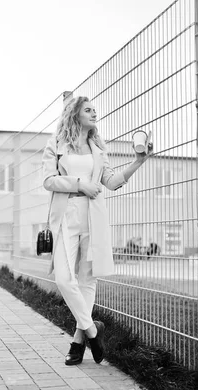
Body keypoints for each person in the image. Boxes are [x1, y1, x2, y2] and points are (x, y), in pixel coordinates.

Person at [41, 95, 153, 366]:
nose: (94, 114)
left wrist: (138, 161)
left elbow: (112, 182)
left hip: (93, 218)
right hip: (66, 216)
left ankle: (78, 342)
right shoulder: (56, 144)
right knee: (64, 280)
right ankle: (93, 331)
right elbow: (48, 180)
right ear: (74, 114)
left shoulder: (98, 148)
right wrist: (80, 183)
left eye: (95, 110)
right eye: (88, 110)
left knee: (87, 280)